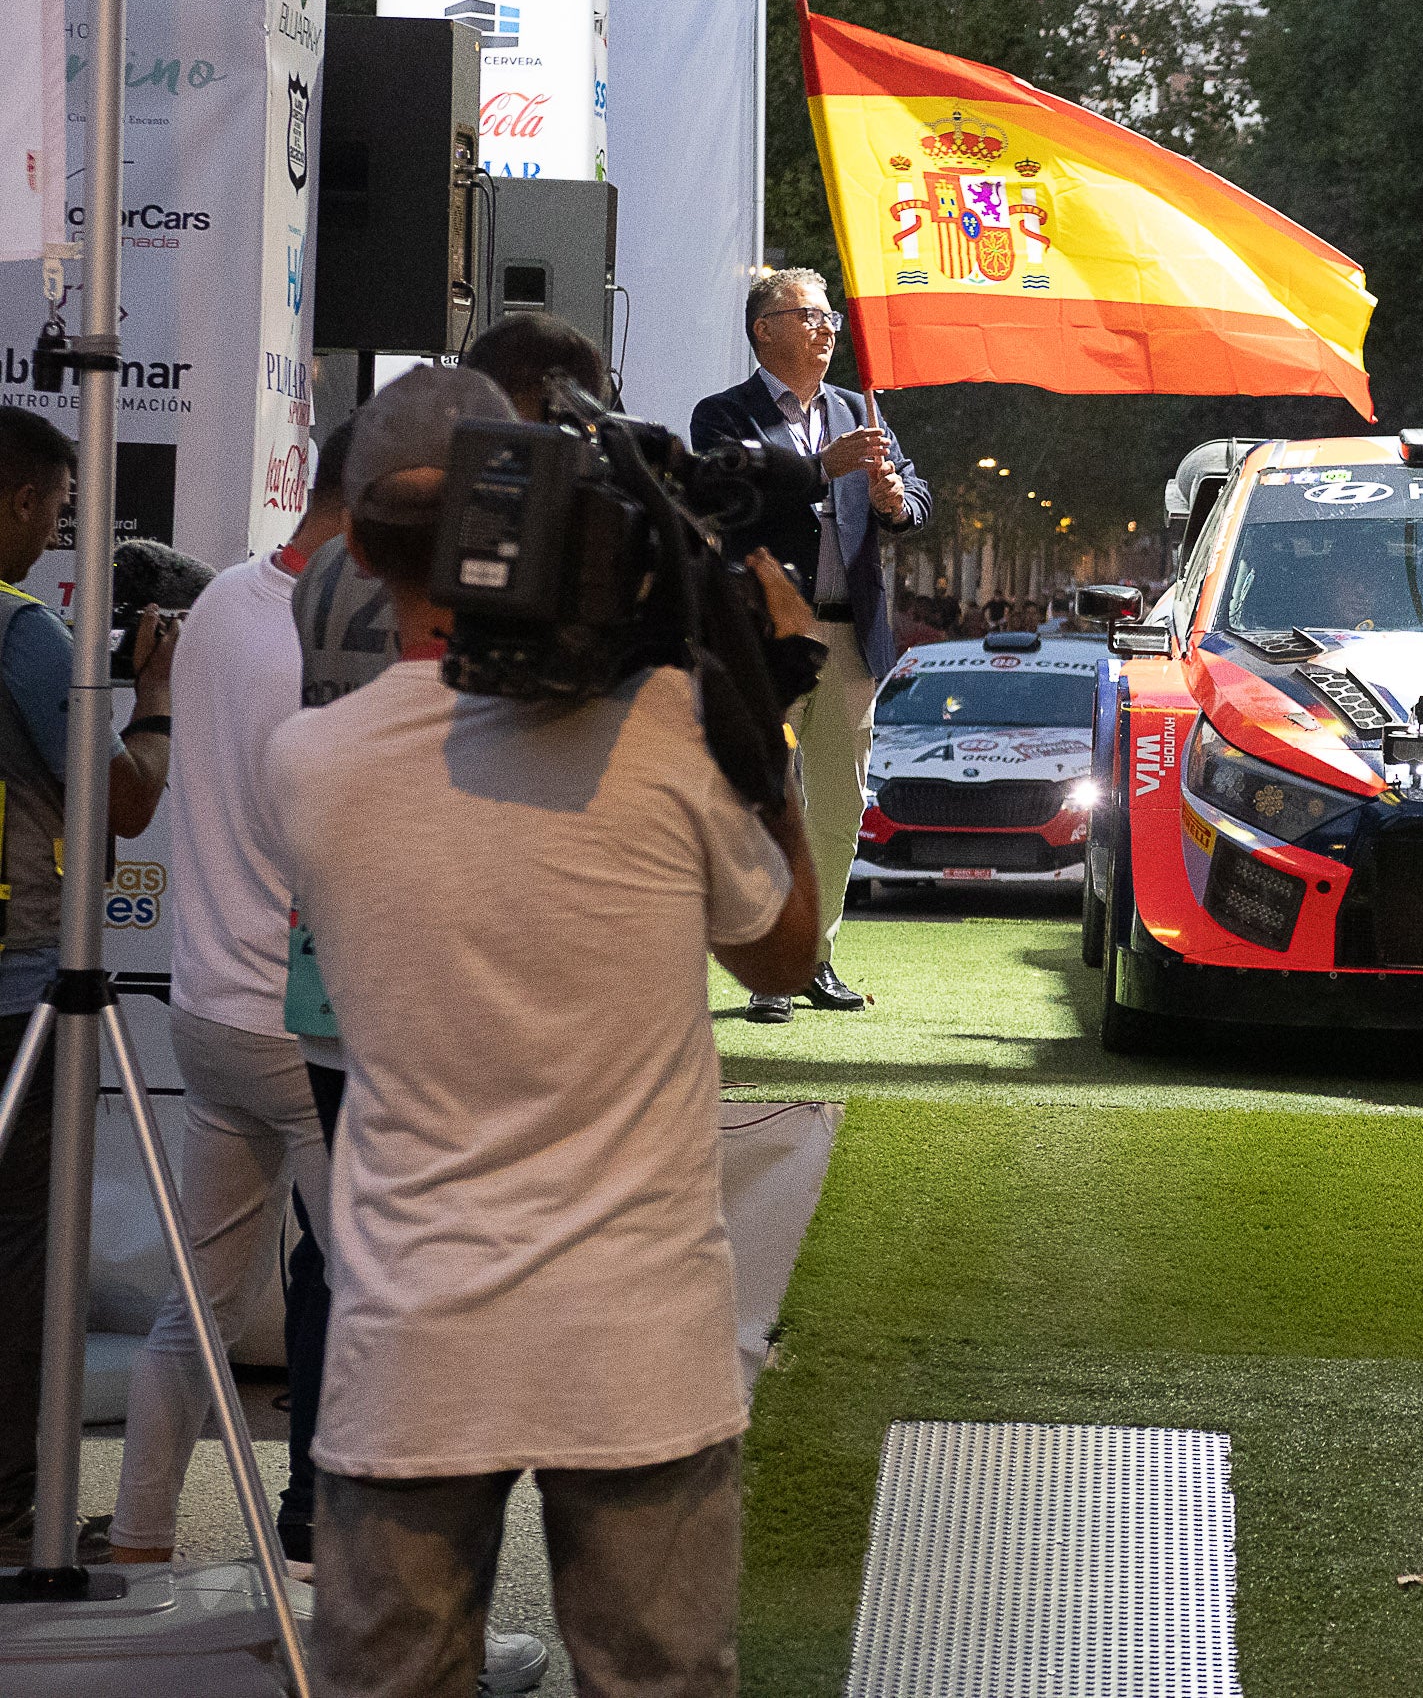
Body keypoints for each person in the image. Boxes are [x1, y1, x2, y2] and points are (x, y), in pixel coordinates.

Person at [256, 366, 821, 1697]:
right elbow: (783, 951)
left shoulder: (307, 766)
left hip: (411, 1339)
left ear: (363, 543)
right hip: (636, 1339)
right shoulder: (668, 734)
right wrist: (765, 712)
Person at [109, 420, 352, 1574]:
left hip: (208, 1010)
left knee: (193, 1306)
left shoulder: (219, 606)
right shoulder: (333, 639)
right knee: (372, 1310)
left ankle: (146, 1539)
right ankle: (342, 1571)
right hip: (301, 1029)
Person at [0, 409, 176, 1568]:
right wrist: (151, 700)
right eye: (58, 508)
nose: (57, 530)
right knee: (20, 1247)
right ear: (19, 500)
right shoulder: (24, 635)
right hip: (20, 990)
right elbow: (124, 802)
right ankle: (13, 1491)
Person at [693, 268, 931, 1026]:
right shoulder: (722, 415)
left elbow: (917, 496)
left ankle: (813, 958)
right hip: (769, 634)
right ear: (766, 329)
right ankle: (768, 964)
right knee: (768, 800)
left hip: (850, 634)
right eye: (810, 316)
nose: (827, 330)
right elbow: (725, 494)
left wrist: (897, 503)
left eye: (829, 318)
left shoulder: (859, 410)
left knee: (839, 805)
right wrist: (819, 469)